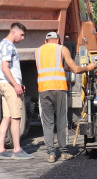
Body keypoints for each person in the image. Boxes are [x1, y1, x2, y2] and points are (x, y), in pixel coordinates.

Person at [36, 31, 91, 163]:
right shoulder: (62, 49)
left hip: (43, 89)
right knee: (61, 121)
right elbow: (76, 69)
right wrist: (88, 67)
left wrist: (63, 68)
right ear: (58, 40)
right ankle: (63, 152)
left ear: (45, 41)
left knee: (47, 123)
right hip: (59, 88)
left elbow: (48, 66)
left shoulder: (38, 51)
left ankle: (50, 154)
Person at [0, 22, 33, 160]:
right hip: (10, 86)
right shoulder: (8, 46)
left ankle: (0, 149)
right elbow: (5, 67)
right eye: (21, 35)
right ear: (13, 32)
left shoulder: (2, 44)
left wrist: (18, 83)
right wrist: (16, 85)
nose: (22, 38)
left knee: (7, 117)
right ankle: (17, 150)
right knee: (16, 118)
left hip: (5, 84)